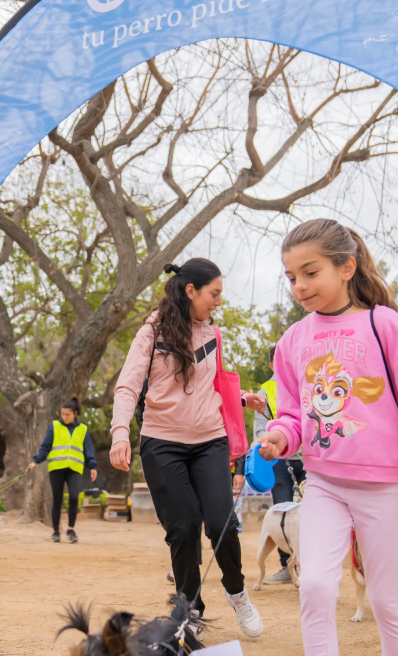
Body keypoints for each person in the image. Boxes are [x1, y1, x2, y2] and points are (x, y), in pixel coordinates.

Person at [257, 219, 398, 656]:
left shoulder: (384, 325)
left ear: (346, 267)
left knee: (386, 602)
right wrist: (278, 437)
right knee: (316, 587)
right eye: (291, 277)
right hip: (324, 483)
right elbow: (292, 415)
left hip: (383, 487)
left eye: (310, 272)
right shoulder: (291, 341)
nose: (299, 286)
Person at [109, 259, 265, 637]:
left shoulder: (214, 334)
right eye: (214, 294)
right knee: (182, 529)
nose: (219, 303)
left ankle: (237, 590)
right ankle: (190, 611)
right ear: (191, 290)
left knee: (221, 522)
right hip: (162, 443)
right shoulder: (152, 331)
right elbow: (129, 385)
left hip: (209, 440)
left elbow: (214, 384)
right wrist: (119, 432)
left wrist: (244, 400)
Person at [251, 344, 306, 585]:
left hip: (309, 460)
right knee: (283, 512)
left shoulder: (307, 384)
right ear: (273, 364)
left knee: (313, 513)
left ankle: (312, 565)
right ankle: (287, 566)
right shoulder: (265, 392)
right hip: (281, 462)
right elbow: (261, 429)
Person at [28, 397, 98, 543]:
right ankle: (55, 531)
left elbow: (88, 450)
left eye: (67, 414)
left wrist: (92, 466)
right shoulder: (54, 426)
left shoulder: (83, 429)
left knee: (74, 497)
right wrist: (36, 461)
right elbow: (45, 447)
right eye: (62, 414)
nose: (64, 417)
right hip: (56, 468)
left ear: (75, 413)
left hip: (75, 468)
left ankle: (71, 530)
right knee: (57, 500)